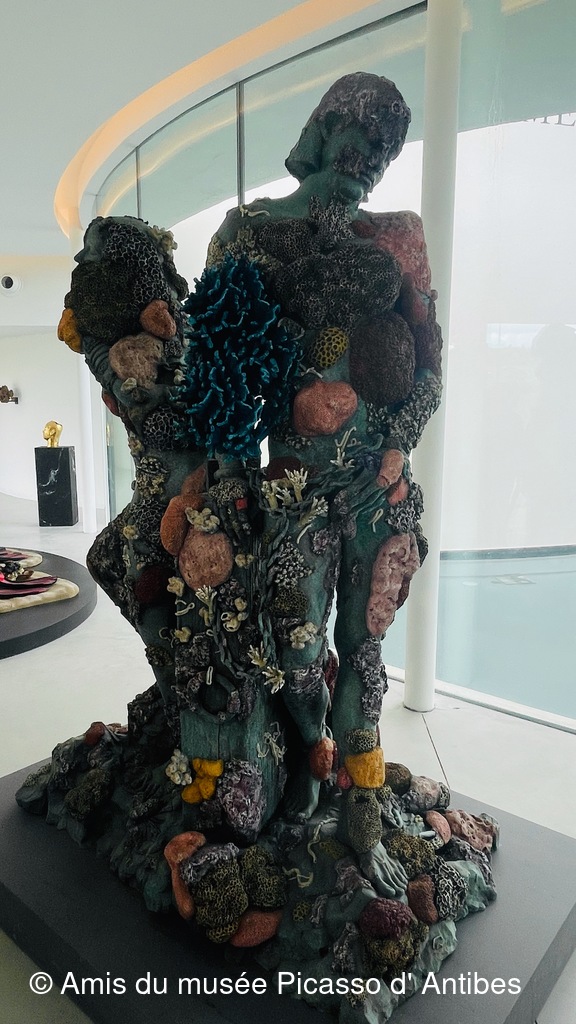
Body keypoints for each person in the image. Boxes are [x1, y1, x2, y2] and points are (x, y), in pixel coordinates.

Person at [203, 72, 443, 847]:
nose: (368, 161)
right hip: (293, 487)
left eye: (384, 150)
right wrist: (231, 480)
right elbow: (219, 367)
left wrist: (397, 447)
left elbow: (430, 365)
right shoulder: (247, 231)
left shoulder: (398, 234)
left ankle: (361, 778)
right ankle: (314, 750)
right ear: (321, 131)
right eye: (359, 139)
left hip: (378, 485)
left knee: (365, 644)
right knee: (297, 644)